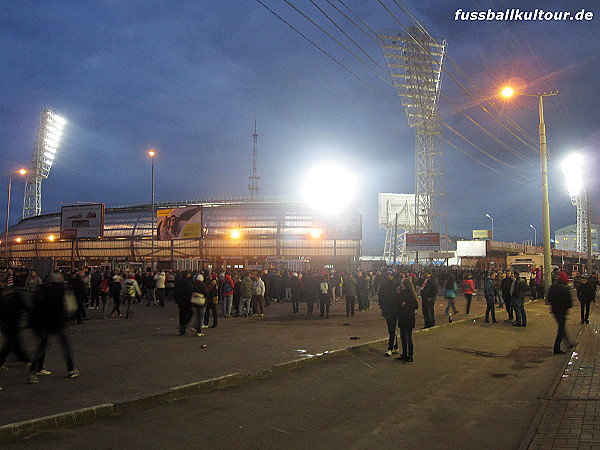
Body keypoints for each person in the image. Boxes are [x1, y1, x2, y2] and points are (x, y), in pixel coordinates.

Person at [27, 272, 79, 383]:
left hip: (41, 323)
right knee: (66, 347)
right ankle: (71, 370)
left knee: (41, 348)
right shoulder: (61, 289)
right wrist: (69, 317)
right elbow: (71, 306)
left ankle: (33, 372)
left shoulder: (40, 290)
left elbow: (33, 308)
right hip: (58, 322)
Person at [0, 272, 31, 371]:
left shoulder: (6, 291)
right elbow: (27, 306)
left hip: (7, 321)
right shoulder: (15, 292)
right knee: (11, 342)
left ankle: (24, 359)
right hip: (11, 321)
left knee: (14, 341)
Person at [548, 271, 573, 354]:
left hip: (555, 310)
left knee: (562, 328)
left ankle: (568, 343)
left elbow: (549, 298)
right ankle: (556, 347)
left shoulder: (553, 287)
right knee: (561, 329)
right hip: (562, 311)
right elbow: (569, 302)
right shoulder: (565, 288)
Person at [378, 269, 400, 357]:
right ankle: (396, 346)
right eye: (388, 274)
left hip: (394, 310)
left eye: (390, 274)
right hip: (387, 309)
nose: (389, 276)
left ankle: (390, 348)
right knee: (391, 329)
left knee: (392, 329)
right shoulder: (384, 286)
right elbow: (380, 296)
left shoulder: (396, 285)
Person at [396, 277, 419, 363]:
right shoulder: (401, 293)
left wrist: (405, 304)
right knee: (402, 337)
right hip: (402, 317)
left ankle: (410, 355)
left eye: (402, 284)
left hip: (408, 317)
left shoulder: (411, 294)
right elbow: (397, 302)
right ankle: (404, 353)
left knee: (408, 337)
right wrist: (397, 293)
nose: (401, 285)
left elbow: (415, 305)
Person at [175, 271, 193, 335]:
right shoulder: (188, 282)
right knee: (190, 314)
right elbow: (190, 292)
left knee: (182, 314)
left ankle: (182, 328)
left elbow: (176, 291)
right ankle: (184, 325)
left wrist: (176, 300)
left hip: (180, 301)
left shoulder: (179, 282)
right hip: (187, 301)